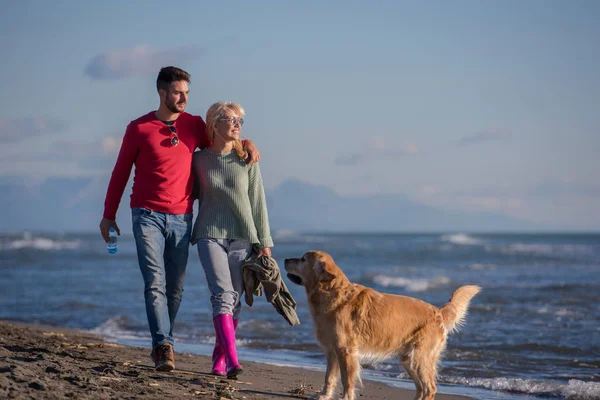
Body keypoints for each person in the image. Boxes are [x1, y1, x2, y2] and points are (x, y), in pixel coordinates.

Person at [99, 67, 260, 372]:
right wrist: (108, 215)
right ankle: (163, 346)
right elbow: (120, 173)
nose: (184, 98)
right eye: (177, 92)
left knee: (175, 288)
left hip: (182, 218)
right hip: (145, 214)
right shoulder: (139, 128)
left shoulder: (194, 125)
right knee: (155, 281)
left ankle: (165, 340)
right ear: (162, 93)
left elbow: (222, 139)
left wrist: (248, 143)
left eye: (187, 92)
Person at [191, 101, 273, 379]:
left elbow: (258, 203)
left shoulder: (247, 159)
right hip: (208, 234)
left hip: (242, 238)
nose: (237, 124)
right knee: (222, 296)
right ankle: (234, 361)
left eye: (240, 120)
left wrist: (265, 242)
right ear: (214, 124)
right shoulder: (198, 159)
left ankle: (219, 361)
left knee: (234, 301)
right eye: (231, 119)